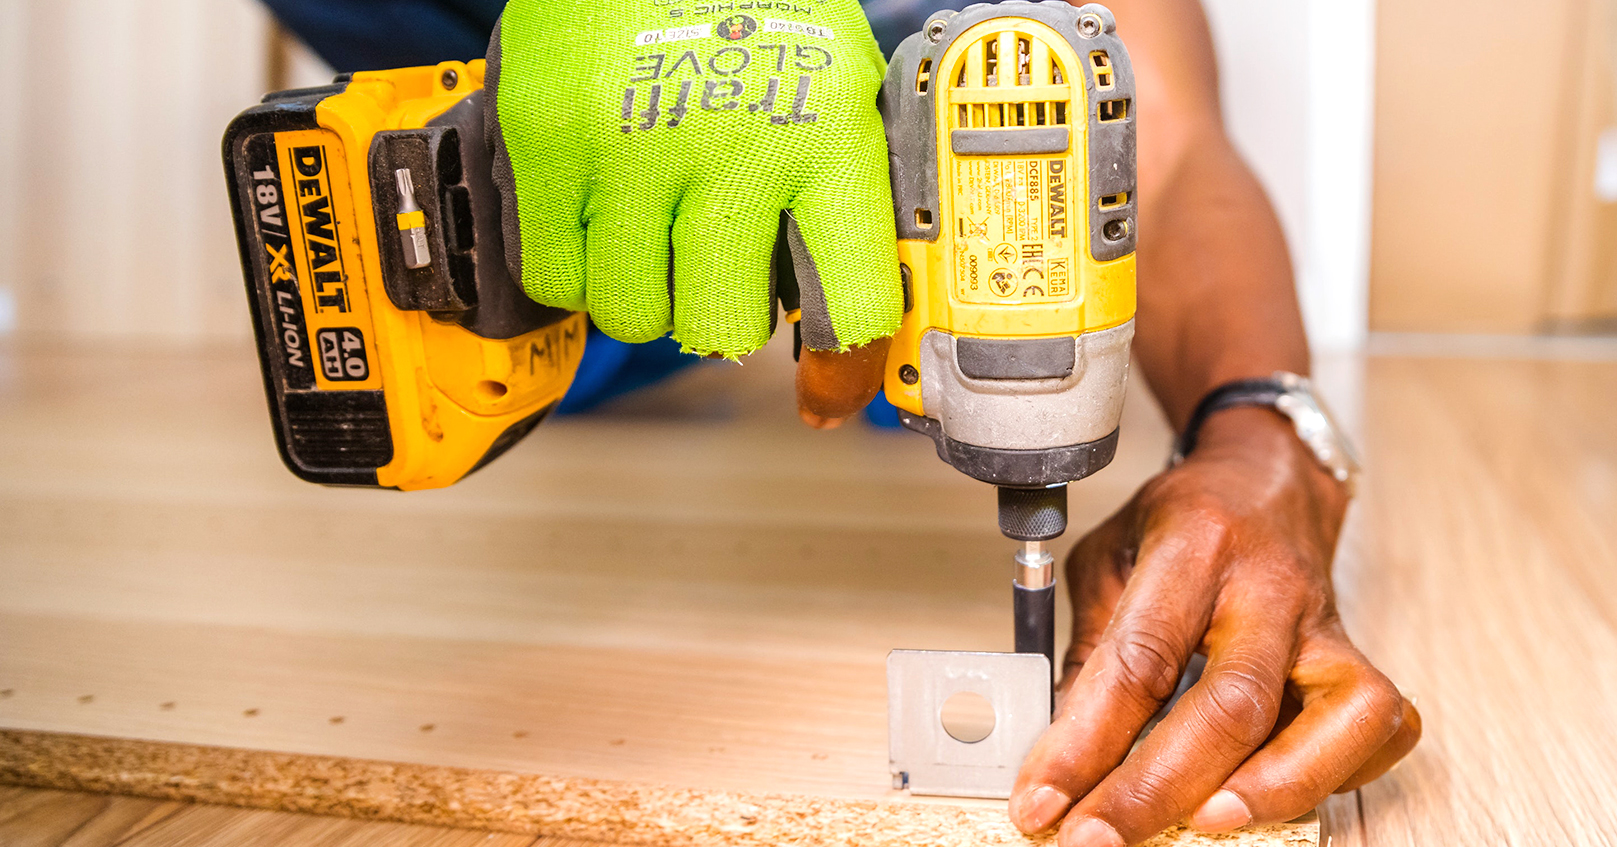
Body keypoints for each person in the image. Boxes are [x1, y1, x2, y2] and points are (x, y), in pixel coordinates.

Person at [262, 1, 1422, 843]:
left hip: (869, 185)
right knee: (580, 370)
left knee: (897, 359)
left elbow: (1152, 140)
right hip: (525, 180)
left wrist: (1263, 434)